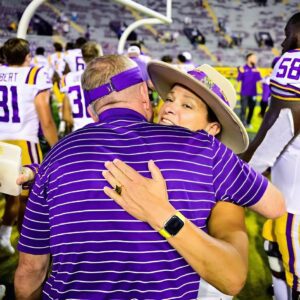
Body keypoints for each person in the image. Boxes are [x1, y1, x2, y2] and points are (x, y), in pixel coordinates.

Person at [15, 55, 285, 299]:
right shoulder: (197, 155)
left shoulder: (216, 170)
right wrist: (39, 172)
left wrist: (160, 213)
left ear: (212, 128)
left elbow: (233, 275)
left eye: (187, 105)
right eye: (168, 99)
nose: (168, 108)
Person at [242, 12, 300, 300]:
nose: (284, 40)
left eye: (288, 32)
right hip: (289, 188)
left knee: (291, 264)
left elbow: (283, 119)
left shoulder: (293, 61)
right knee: (273, 250)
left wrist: (244, 166)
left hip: (293, 202)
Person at [0, 38, 58, 255]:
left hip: (1, 143)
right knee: (29, 200)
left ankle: (4, 237)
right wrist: (56, 147)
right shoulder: (35, 74)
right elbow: (46, 119)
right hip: (23, 143)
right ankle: (27, 248)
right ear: (27, 56)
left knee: (9, 195)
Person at [60, 41, 101, 133]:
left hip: (78, 132)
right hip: (99, 132)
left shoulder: (69, 78)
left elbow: (66, 115)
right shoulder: (105, 77)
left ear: (82, 57)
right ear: (99, 56)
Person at [237, 52, 262, 128]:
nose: (255, 59)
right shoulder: (243, 68)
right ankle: (242, 124)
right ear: (248, 58)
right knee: (243, 109)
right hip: (244, 93)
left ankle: (248, 122)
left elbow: (260, 82)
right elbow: (238, 80)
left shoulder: (256, 70)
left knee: (252, 109)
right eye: (254, 58)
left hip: (253, 93)